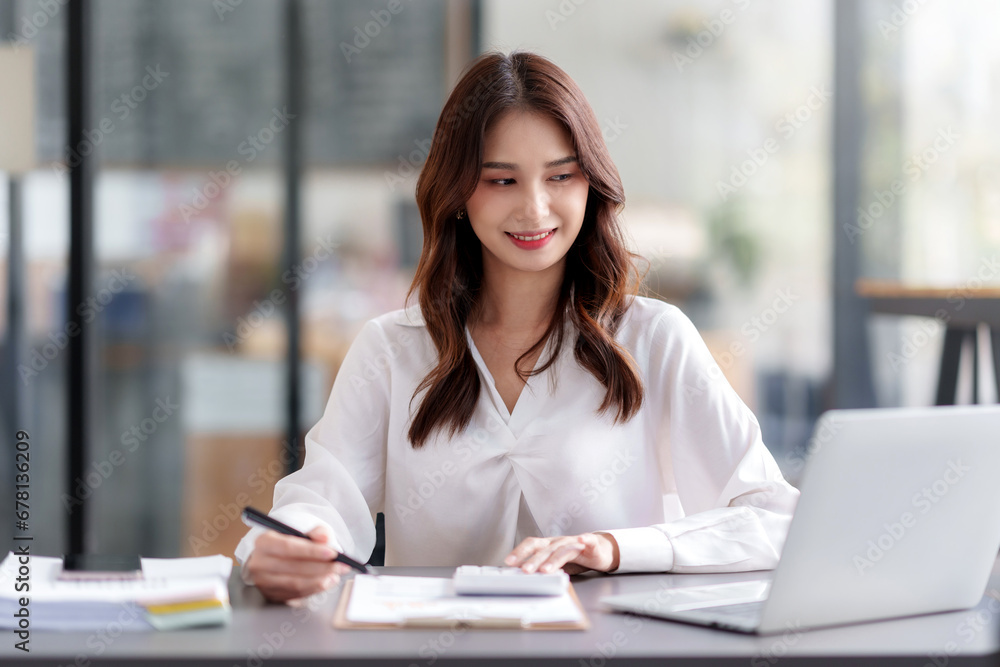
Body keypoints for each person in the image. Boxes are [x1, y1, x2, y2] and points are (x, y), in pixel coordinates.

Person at [236, 51, 799, 603]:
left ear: (591, 185)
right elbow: (322, 502)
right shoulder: (390, 349)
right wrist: (286, 547)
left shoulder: (655, 339)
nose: (534, 209)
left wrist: (615, 547)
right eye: (502, 180)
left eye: (560, 176)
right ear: (456, 193)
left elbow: (775, 517)